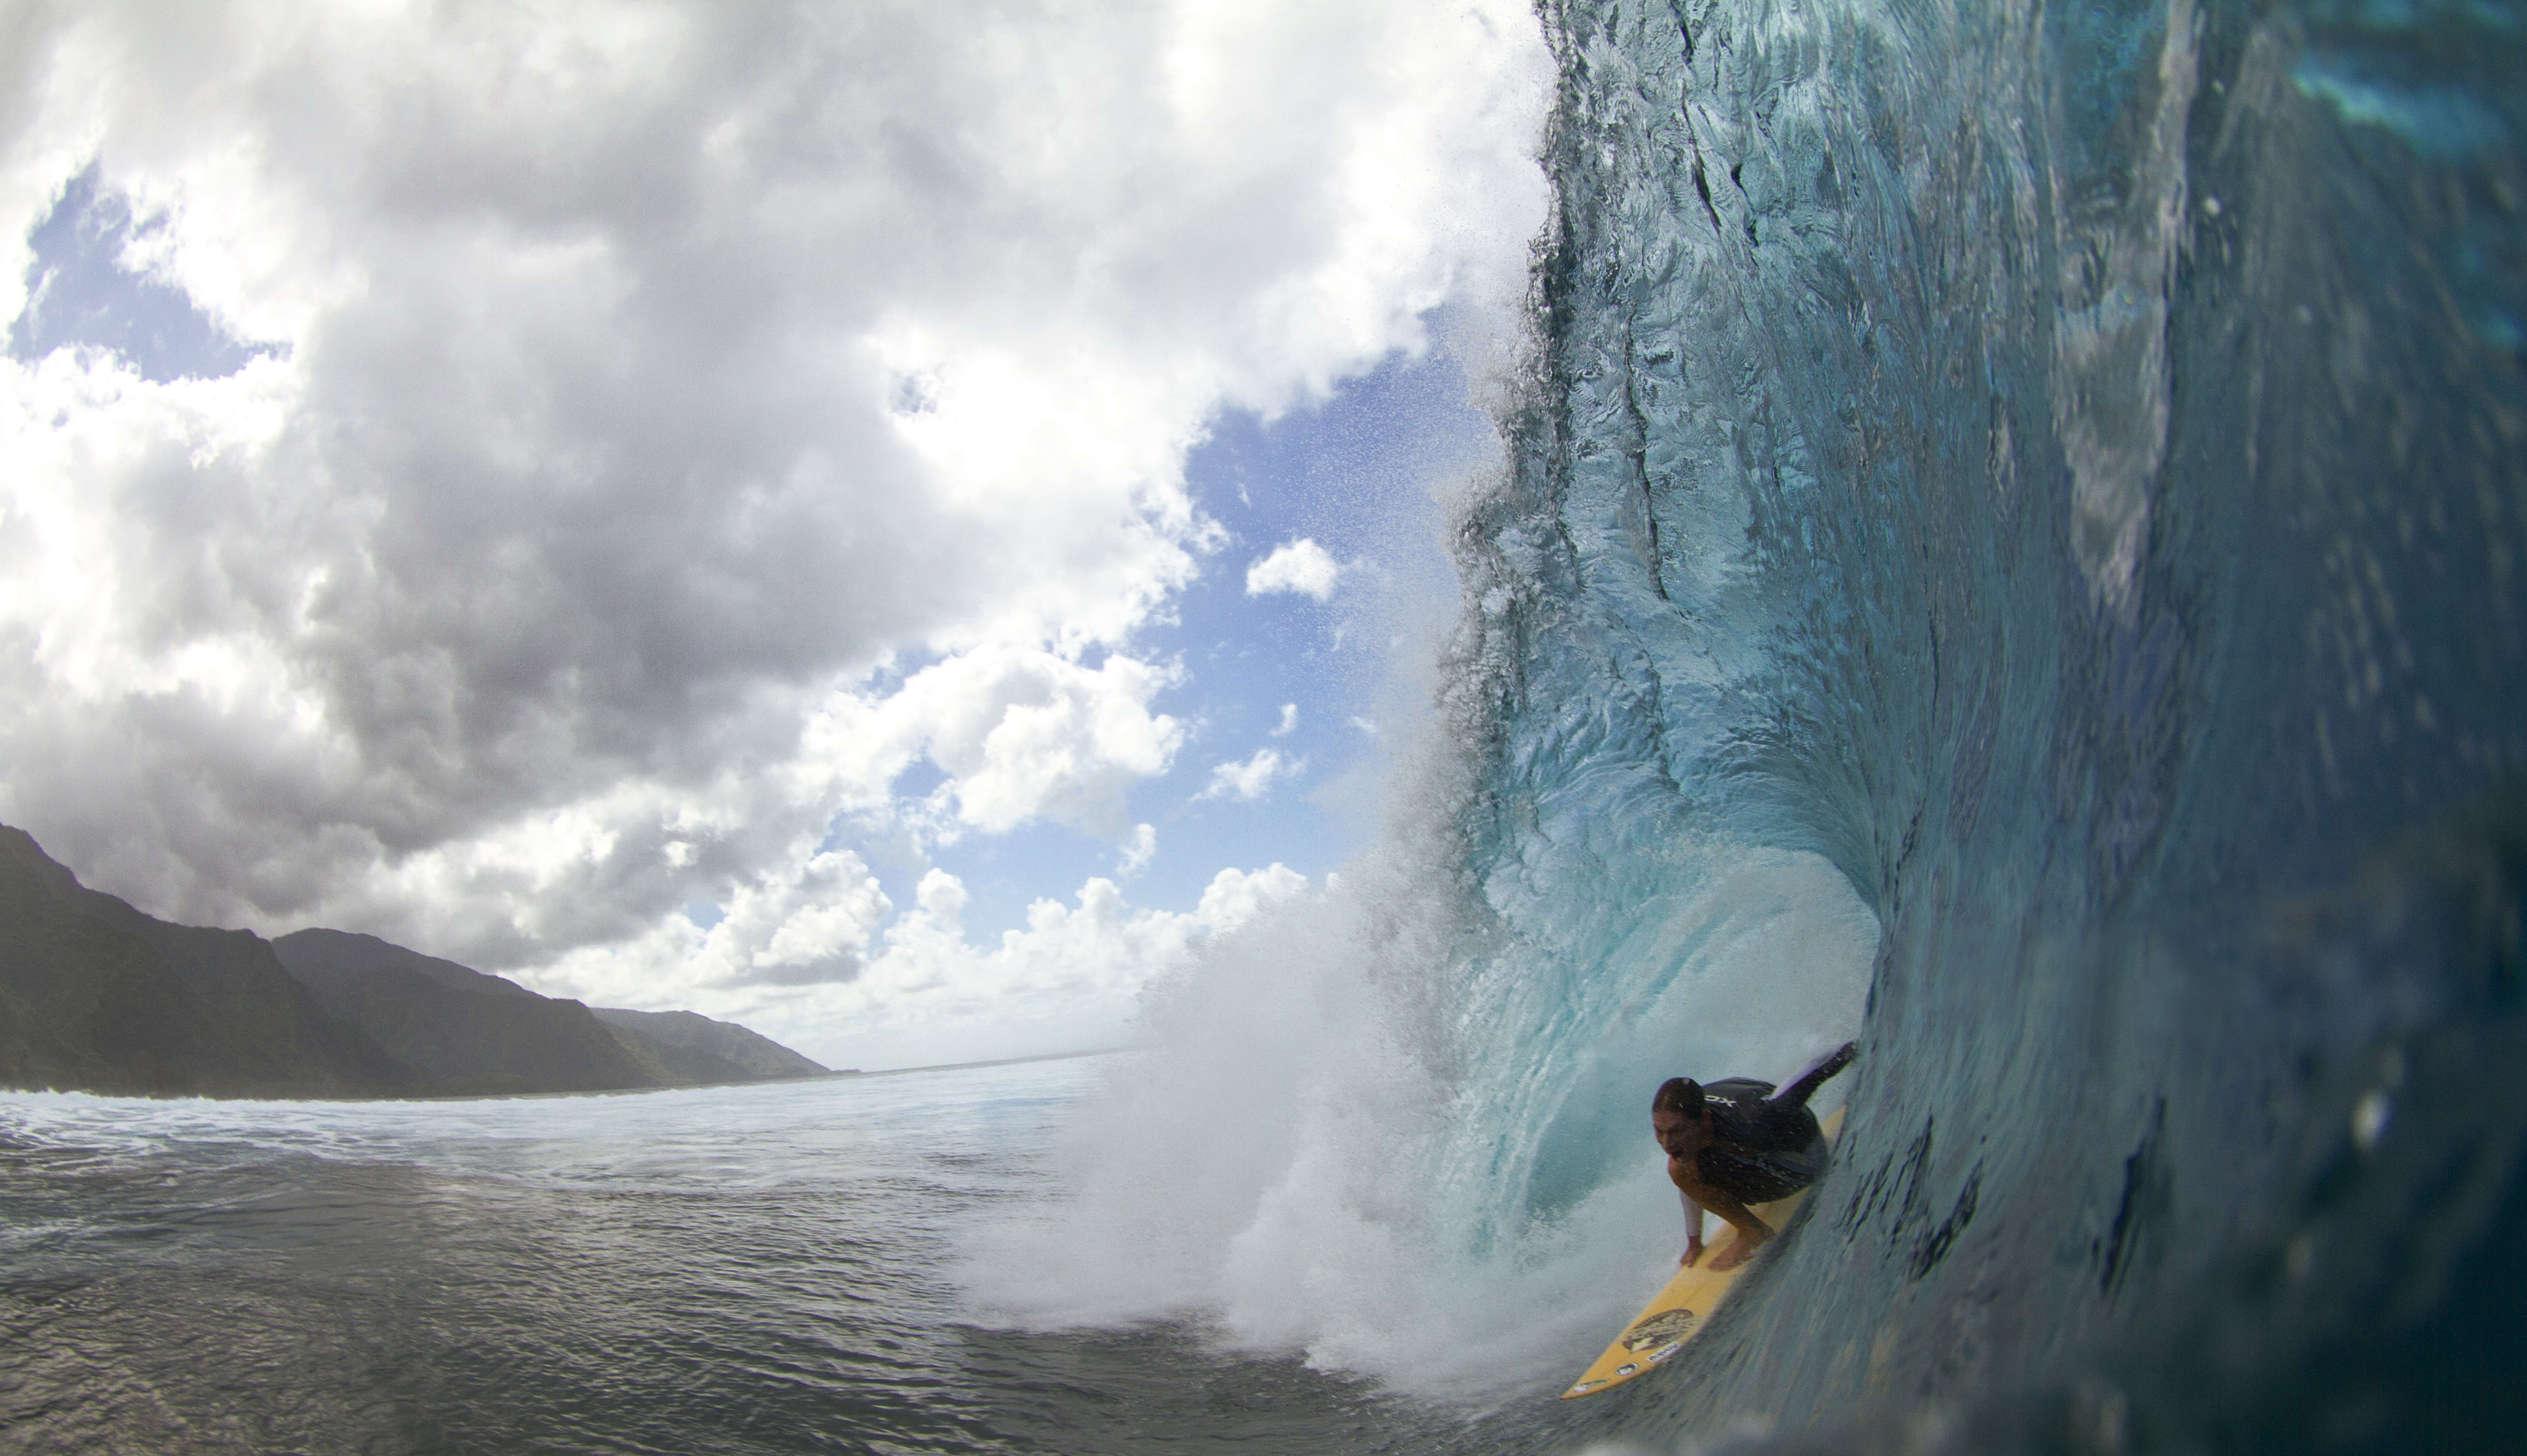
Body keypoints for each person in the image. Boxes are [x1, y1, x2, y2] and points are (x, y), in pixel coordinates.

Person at [1653, 1042, 1856, 1271]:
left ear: (1705, 1120)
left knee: (1684, 1168)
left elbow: (1812, 1073)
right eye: (1659, 1131)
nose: (1666, 1142)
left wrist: (1854, 1049)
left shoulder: (1754, 1122)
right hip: (1771, 1141)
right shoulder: (1690, 1116)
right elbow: (1687, 1177)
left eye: (1676, 1131)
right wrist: (1694, 1242)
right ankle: (1751, 1225)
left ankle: (1754, 1233)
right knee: (1683, 1165)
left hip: (1807, 1157)